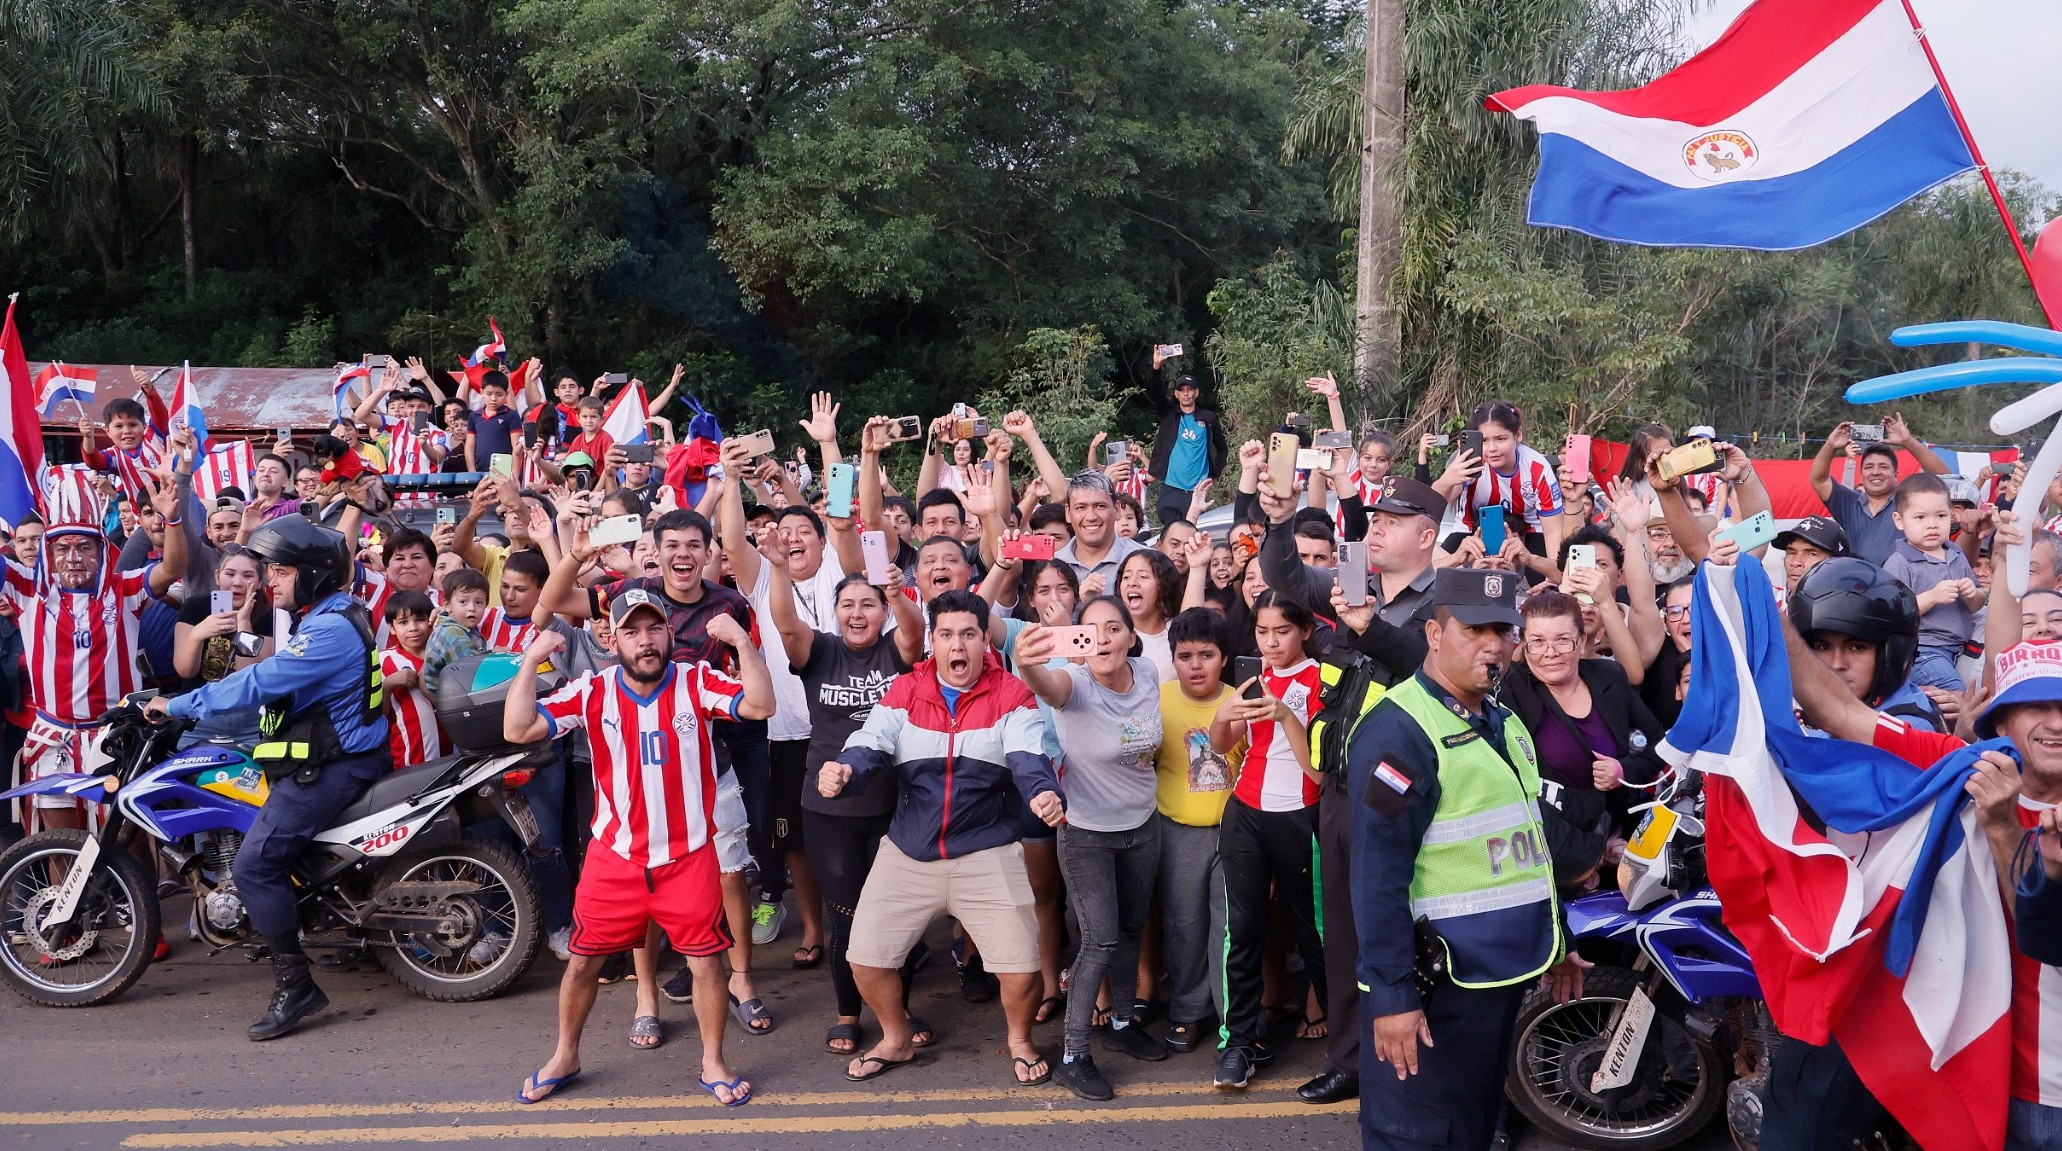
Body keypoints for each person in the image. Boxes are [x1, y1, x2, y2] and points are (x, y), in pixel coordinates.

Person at [1346, 568, 1589, 1151]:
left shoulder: (1500, 721)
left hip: (1496, 978)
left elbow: (1526, 846)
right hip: (1433, 987)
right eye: (1473, 629)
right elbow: (1377, 877)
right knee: (1420, 1134)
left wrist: (1555, 942)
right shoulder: (1400, 731)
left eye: (1504, 631)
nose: (1493, 645)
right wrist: (1392, 997)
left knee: (1471, 1127)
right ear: (1433, 633)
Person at [502, 590, 774, 1107]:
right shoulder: (592, 690)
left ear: (670, 633)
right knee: (582, 963)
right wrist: (530, 662)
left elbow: (760, 704)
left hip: (688, 856)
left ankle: (713, 1061)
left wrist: (739, 640)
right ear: (612, 637)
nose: (645, 642)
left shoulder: (696, 681)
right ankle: (565, 1054)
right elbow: (517, 728)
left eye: (654, 629)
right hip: (616, 857)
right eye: (631, 631)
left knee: (706, 964)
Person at [148, 517, 387, 1041]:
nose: (268, 580)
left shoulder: (328, 628)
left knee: (255, 866)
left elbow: (261, 680)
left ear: (312, 573)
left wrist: (180, 705)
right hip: (324, 756)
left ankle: (296, 984)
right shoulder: (330, 614)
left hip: (335, 767)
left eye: (279, 570)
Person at [817, 590, 1065, 1087]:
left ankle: (1018, 1039)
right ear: (932, 641)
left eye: (969, 634)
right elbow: (870, 742)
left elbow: (1029, 758)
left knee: (1022, 971)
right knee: (864, 959)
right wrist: (845, 767)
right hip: (909, 849)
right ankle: (895, 1038)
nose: (958, 645)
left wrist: (1043, 793)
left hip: (986, 849)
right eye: (947, 634)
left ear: (984, 642)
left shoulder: (1012, 693)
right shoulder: (905, 690)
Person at [1016, 597, 1168, 1100]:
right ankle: (1074, 1054)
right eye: (1090, 631)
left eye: (1113, 629)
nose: (1102, 639)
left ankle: (1123, 1023)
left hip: (1143, 825)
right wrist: (1026, 662)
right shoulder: (1072, 685)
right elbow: (1044, 684)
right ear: (1078, 641)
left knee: (1130, 928)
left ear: (1130, 637)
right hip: (1086, 834)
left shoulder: (1146, 674)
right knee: (1100, 938)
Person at [6, 457, 188, 837]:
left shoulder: (123, 590)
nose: (73, 558)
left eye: (84, 547)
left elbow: (172, 569)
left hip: (114, 737)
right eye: (62, 548)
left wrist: (172, 520)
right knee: (59, 839)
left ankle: (132, 899)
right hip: (52, 737)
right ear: (49, 554)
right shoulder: (28, 589)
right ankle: (69, 900)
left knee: (124, 840)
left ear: (101, 549)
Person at [1208, 590, 1328, 1089]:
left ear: (1305, 631)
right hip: (1247, 814)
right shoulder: (1252, 676)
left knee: (1316, 932)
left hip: (1303, 816)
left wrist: (1287, 717)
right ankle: (1236, 1044)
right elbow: (1219, 747)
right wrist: (1224, 712)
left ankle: (1348, 1044)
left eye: (1282, 631)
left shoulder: (1324, 679)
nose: (1272, 641)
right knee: (1244, 930)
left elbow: (1318, 773)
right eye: (1262, 631)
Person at [1498, 588, 1666, 890]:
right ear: (1522, 645)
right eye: (1537, 641)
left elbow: (1656, 744)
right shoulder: (1511, 691)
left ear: (1581, 640)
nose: (1550, 652)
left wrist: (1623, 771)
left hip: (1623, 854)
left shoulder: (1609, 676)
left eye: (1562, 640)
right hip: (1556, 860)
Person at [1151, 608, 1241, 1056]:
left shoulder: (1241, 700)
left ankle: (1234, 1022)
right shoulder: (1157, 698)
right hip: (1177, 833)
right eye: (1185, 655)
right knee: (1184, 925)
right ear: (1173, 658)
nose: (1196, 664)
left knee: (1228, 930)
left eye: (1207, 654)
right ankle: (1189, 1011)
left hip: (1234, 835)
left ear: (1224, 658)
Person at [1807, 414, 1952, 565]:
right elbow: (1818, 479)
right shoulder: (1849, 503)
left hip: (1907, 585)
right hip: (1861, 584)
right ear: (1862, 474)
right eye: (1869, 467)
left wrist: (1908, 441)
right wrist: (1830, 446)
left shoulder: (1910, 499)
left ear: (1895, 475)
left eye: (1883, 467)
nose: (1875, 472)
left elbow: (1947, 480)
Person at [1882, 473, 1981, 692]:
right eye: (1920, 517)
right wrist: (1931, 597)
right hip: (1922, 650)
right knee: (1956, 695)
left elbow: (1978, 602)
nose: (1932, 525)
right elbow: (1892, 614)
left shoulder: (1955, 552)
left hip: (1961, 648)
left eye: (1941, 516)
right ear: (1900, 521)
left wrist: (1972, 593)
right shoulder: (1899, 563)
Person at [171, 548, 273, 746]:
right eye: (230, 573)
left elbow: (250, 678)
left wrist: (244, 623)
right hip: (197, 718)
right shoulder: (196, 608)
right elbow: (185, 670)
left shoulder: (268, 615)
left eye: (248, 576)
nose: (237, 582)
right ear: (217, 576)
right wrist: (198, 634)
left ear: (259, 582)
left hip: (248, 721)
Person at [1146, 374, 1227, 531]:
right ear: (1176, 394)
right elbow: (1155, 392)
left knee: (1193, 533)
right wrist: (1156, 368)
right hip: (1171, 487)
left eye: (1189, 390)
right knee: (1173, 534)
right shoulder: (1170, 415)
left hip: (1196, 490)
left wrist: (1214, 475)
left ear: (1196, 393)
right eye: (1181, 390)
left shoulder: (1208, 418)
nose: (1185, 393)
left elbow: (1222, 449)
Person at [1772, 515, 1850, 592]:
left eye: (1811, 554)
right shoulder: (1768, 600)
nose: (1795, 562)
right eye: (1792, 553)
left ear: (1838, 564)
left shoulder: (1855, 603)